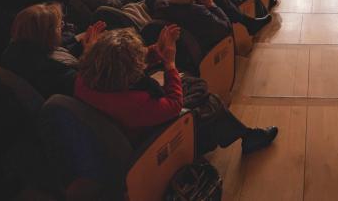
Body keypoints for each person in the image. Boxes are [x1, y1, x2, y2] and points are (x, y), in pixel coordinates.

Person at [73, 26, 278, 154]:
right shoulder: (134, 103)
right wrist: (170, 63)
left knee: (196, 86)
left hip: (128, 124)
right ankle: (247, 136)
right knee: (209, 101)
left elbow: (121, 61)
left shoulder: (84, 78)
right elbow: (174, 106)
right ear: (130, 69)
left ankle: (243, 134)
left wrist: (156, 50)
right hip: (149, 137)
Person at [1, 4, 104, 99]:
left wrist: (82, 45)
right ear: (48, 35)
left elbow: (58, 53)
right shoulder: (53, 68)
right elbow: (86, 84)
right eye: (59, 26)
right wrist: (90, 52)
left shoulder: (13, 49)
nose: (63, 27)